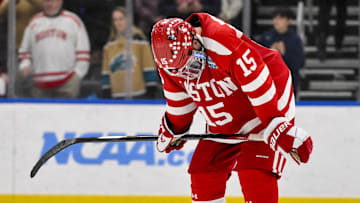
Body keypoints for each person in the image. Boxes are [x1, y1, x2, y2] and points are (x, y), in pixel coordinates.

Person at [151, 13, 313, 203]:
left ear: (195, 41)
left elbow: (256, 79)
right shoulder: (169, 60)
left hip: (264, 101)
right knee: (204, 171)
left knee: (254, 171)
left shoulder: (221, 39)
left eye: (188, 63)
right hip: (227, 110)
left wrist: (274, 123)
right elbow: (180, 100)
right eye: (179, 70)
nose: (186, 73)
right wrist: (173, 127)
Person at [18, 0, 90, 98]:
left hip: (67, 83)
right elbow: (24, 50)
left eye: (52, 1)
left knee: (66, 113)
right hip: (39, 85)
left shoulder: (73, 21)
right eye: (46, 1)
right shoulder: (34, 22)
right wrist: (25, 64)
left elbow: (83, 52)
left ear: (60, 1)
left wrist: (77, 76)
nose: (49, 4)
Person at [101, 7, 160, 99]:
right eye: (115, 20)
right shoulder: (109, 45)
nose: (118, 23)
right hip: (116, 96)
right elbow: (106, 72)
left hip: (138, 95)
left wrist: (151, 90)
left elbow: (148, 67)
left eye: (121, 19)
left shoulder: (139, 41)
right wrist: (106, 91)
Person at [259, 7, 305, 97]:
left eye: (281, 18)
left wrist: (284, 54)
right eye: (275, 18)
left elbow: (300, 63)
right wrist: (269, 52)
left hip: (288, 83)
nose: (276, 21)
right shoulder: (266, 37)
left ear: (289, 21)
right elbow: (256, 58)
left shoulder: (295, 39)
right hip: (268, 82)